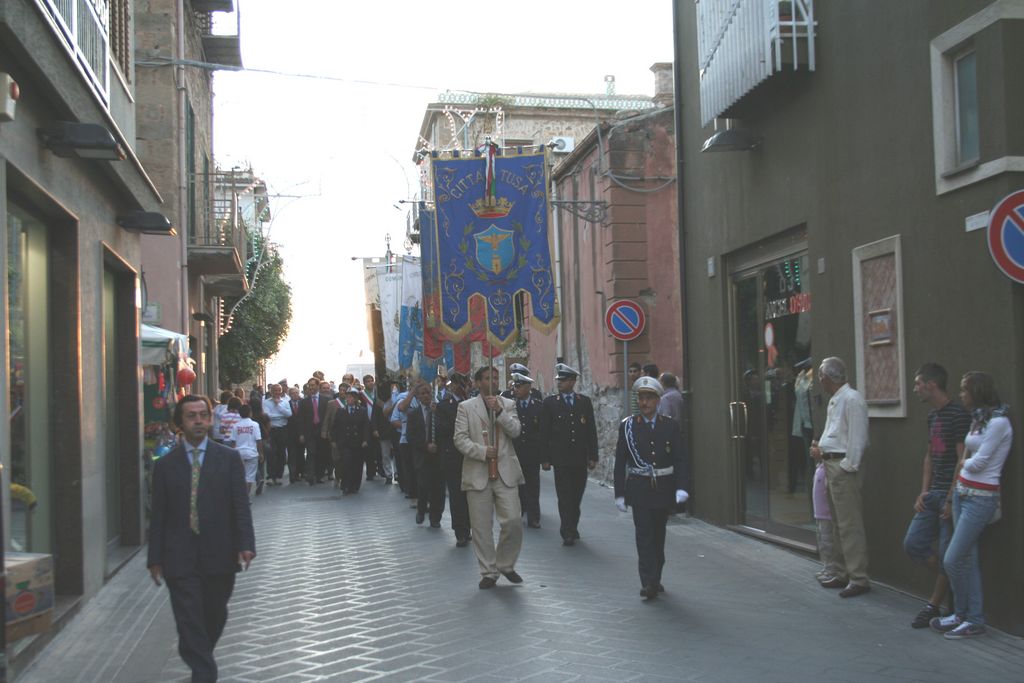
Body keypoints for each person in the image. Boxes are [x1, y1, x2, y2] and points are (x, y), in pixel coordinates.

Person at [148, 395, 255, 682]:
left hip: (219, 552)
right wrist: (154, 558)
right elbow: (158, 515)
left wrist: (246, 544)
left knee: (214, 614)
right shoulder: (165, 465)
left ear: (210, 419)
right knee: (188, 616)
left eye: (203, 415)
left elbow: (240, 505)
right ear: (180, 423)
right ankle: (204, 672)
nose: (198, 421)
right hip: (178, 555)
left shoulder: (228, 459)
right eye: (191, 416)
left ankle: (197, 654)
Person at [930, 371, 1012, 639]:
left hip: (981, 497)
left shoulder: (998, 423)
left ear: (977, 391)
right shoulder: (979, 419)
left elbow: (979, 462)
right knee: (968, 558)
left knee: (952, 558)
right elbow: (970, 454)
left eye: (965, 390)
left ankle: (972, 618)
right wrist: (961, 476)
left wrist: (964, 463)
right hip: (962, 492)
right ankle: (966, 616)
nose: (961, 394)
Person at [903, 363, 970, 628]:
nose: (915, 389)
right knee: (913, 543)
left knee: (946, 552)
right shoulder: (932, 416)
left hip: (951, 494)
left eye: (918, 383)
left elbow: (961, 459)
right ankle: (949, 583)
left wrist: (951, 498)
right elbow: (929, 456)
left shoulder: (958, 415)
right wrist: (924, 491)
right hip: (933, 494)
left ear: (931, 385)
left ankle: (933, 604)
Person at [613, 377, 689, 600]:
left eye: (649, 398)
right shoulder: (628, 426)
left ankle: (656, 576)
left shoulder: (670, 426)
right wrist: (619, 494)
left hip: (663, 489)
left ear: (658, 400)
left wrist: (681, 487)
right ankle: (648, 582)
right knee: (644, 535)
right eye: (641, 398)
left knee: (658, 536)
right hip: (639, 489)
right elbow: (620, 462)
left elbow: (680, 459)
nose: (644, 402)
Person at [454, 365, 524, 589]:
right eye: (487, 378)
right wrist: (483, 452)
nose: (492, 381)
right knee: (481, 527)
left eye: (495, 377)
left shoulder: (508, 405)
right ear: (477, 382)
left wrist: (500, 413)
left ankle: (505, 563)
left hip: (505, 472)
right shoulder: (465, 407)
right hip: (478, 473)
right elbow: (460, 439)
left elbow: (516, 431)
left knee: (513, 521)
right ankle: (488, 571)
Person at [809, 356, 870, 598]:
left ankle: (858, 576)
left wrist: (847, 466)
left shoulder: (852, 399)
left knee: (849, 524)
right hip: (831, 464)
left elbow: (858, 438)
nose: (820, 380)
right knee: (838, 523)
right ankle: (843, 571)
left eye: (821, 376)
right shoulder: (837, 399)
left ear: (826, 377)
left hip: (842, 467)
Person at [540, 363, 598, 546]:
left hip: (579, 458)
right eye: (559, 380)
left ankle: (573, 525)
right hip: (561, 458)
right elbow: (544, 433)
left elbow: (591, 431)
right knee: (564, 496)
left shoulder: (584, 402)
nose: (559, 383)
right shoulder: (550, 403)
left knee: (576, 496)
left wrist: (593, 456)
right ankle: (567, 531)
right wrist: (545, 458)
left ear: (573, 382)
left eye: (564, 380)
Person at [436, 372, 472, 546]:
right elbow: (442, 430)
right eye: (457, 384)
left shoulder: (472, 403)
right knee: (457, 496)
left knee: (471, 495)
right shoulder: (444, 406)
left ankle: (469, 527)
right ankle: (460, 531)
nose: (460, 387)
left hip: (471, 455)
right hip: (453, 455)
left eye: (463, 383)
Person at [407, 381, 446, 527]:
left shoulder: (438, 411)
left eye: (428, 393)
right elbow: (410, 436)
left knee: (438, 488)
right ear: (417, 396)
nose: (426, 396)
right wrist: (425, 446)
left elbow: (445, 430)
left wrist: (437, 414)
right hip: (422, 456)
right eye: (422, 393)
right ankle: (421, 509)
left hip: (438, 456)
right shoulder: (413, 414)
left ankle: (436, 517)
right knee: (423, 486)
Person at [510, 372, 544, 528]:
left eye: (519, 386)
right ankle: (519, 511)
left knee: (533, 486)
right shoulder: (511, 406)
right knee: (517, 486)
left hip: (532, 453)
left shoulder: (538, 406)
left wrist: (544, 456)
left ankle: (534, 517)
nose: (516, 389)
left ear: (528, 387)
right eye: (515, 386)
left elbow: (543, 432)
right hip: (515, 453)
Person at [331, 387, 371, 494]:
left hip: (358, 443)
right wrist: (334, 440)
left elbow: (366, 427)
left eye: (351, 397)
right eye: (347, 397)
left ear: (356, 398)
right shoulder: (341, 411)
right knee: (346, 463)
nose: (348, 399)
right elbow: (335, 427)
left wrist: (365, 440)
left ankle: (355, 485)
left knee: (357, 464)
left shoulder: (362, 411)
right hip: (344, 442)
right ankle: (345, 486)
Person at [230, 404, 264, 498]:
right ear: (250, 413)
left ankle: (240, 495)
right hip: (251, 453)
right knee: (249, 477)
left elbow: (233, 441)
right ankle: (246, 497)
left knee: (240, 476)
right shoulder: (255, 425)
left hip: (238, 453)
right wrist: (261, 453)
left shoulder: (235, 426)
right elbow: (258, 440)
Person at [263, 383, 293, 486]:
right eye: (275, 390)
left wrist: (278, 405)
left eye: (278, 390)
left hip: (282, 429)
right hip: (271, 430)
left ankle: (279, 476)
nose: (277, 392)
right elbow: (267, 415)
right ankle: (271, 476)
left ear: (281, 391)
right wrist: (280, 416)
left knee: (281, 453)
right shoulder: (266, 402)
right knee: (271, 453)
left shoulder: (285, 402)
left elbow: (289, 414)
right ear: (271, 391)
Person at [285, 386, 304, 483]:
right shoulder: (286, 404)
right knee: (292, 455)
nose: (294, 395)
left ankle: (301, 472)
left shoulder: (303, 403)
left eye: (296, 393)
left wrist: (303, 433)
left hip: (301, 433)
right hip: (290, 433)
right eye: (292, 393)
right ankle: (293, 475)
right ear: (289, 395)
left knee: (300, 454)